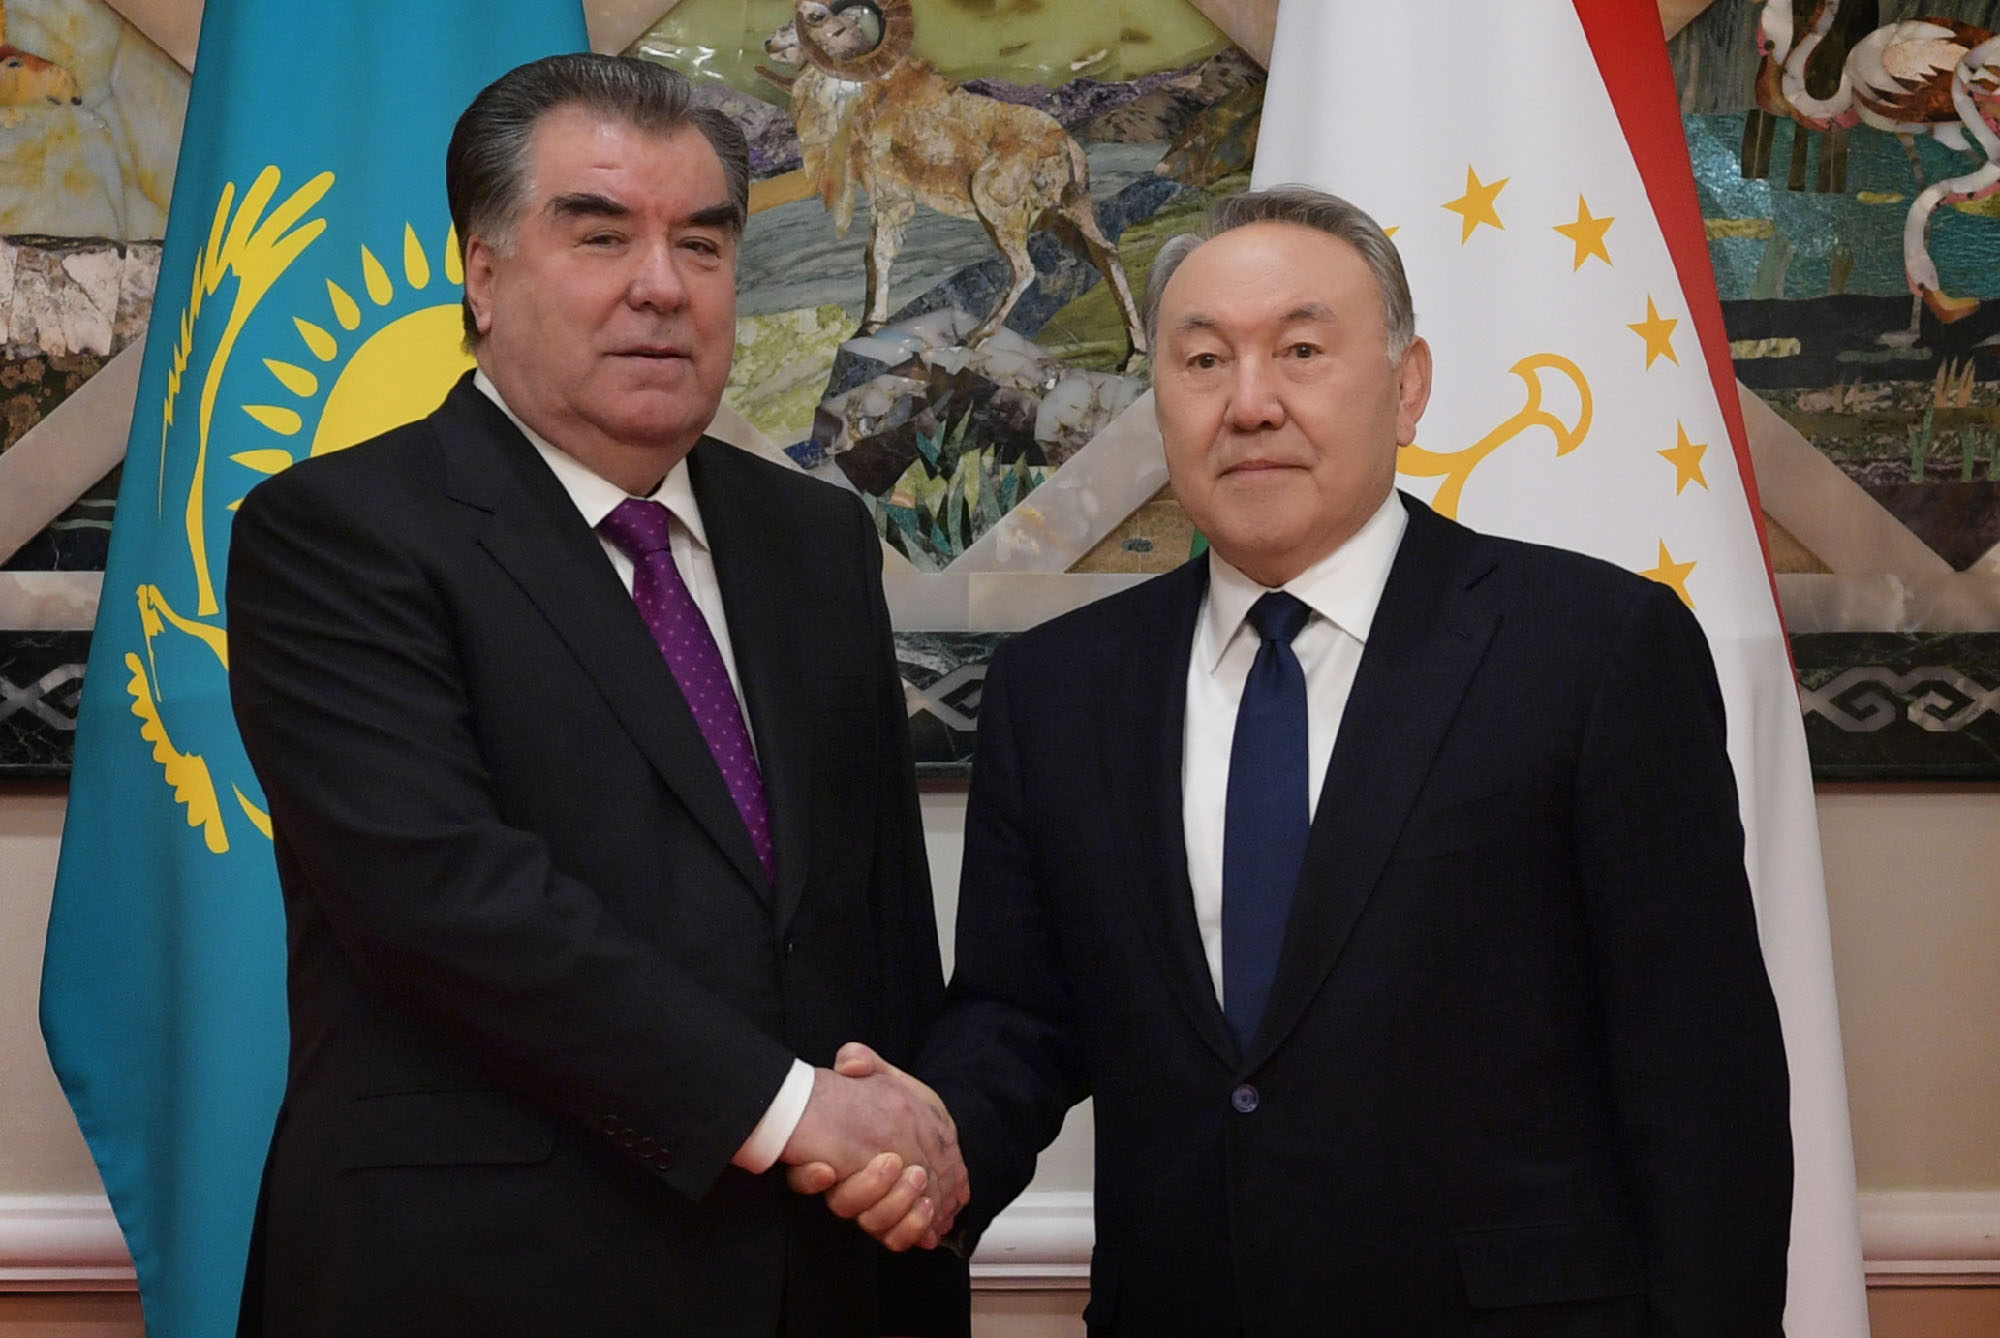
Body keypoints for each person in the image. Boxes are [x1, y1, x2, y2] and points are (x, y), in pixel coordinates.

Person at [819, 185, 1794, 1334]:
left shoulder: (1591, 649)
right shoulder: (1060, 687)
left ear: (1407, 385)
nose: (1249, 404)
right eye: (1201, 361)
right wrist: (933, 1142)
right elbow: (1021, 1015)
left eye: (1299, 351)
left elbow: (1700, 1075)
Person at [226, 53, 967, 1338]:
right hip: (482, 1278)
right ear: (482, 272)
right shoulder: (337, 533)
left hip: (819, 1275)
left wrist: (908, 1188)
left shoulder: (813, 538)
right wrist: (795, 1112)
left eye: (702, 243)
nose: (661, 286)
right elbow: (445, 905)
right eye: (601, 235)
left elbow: (879, 922)